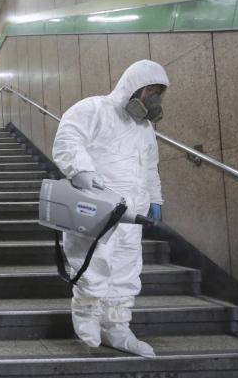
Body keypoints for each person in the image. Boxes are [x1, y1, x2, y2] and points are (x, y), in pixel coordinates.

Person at [51, 59, 168, 358]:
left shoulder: (145, 128)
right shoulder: (94, 109)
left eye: (158, 92)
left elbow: (150, 166)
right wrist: (81, 171)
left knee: (127, 271)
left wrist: (155, 199)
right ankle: (88, 321)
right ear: (133, 86)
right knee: (92, 265)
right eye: (149, 90)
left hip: (131, 214)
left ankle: (117, 329)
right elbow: (69, 137)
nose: (153, 98)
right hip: (96, 209)